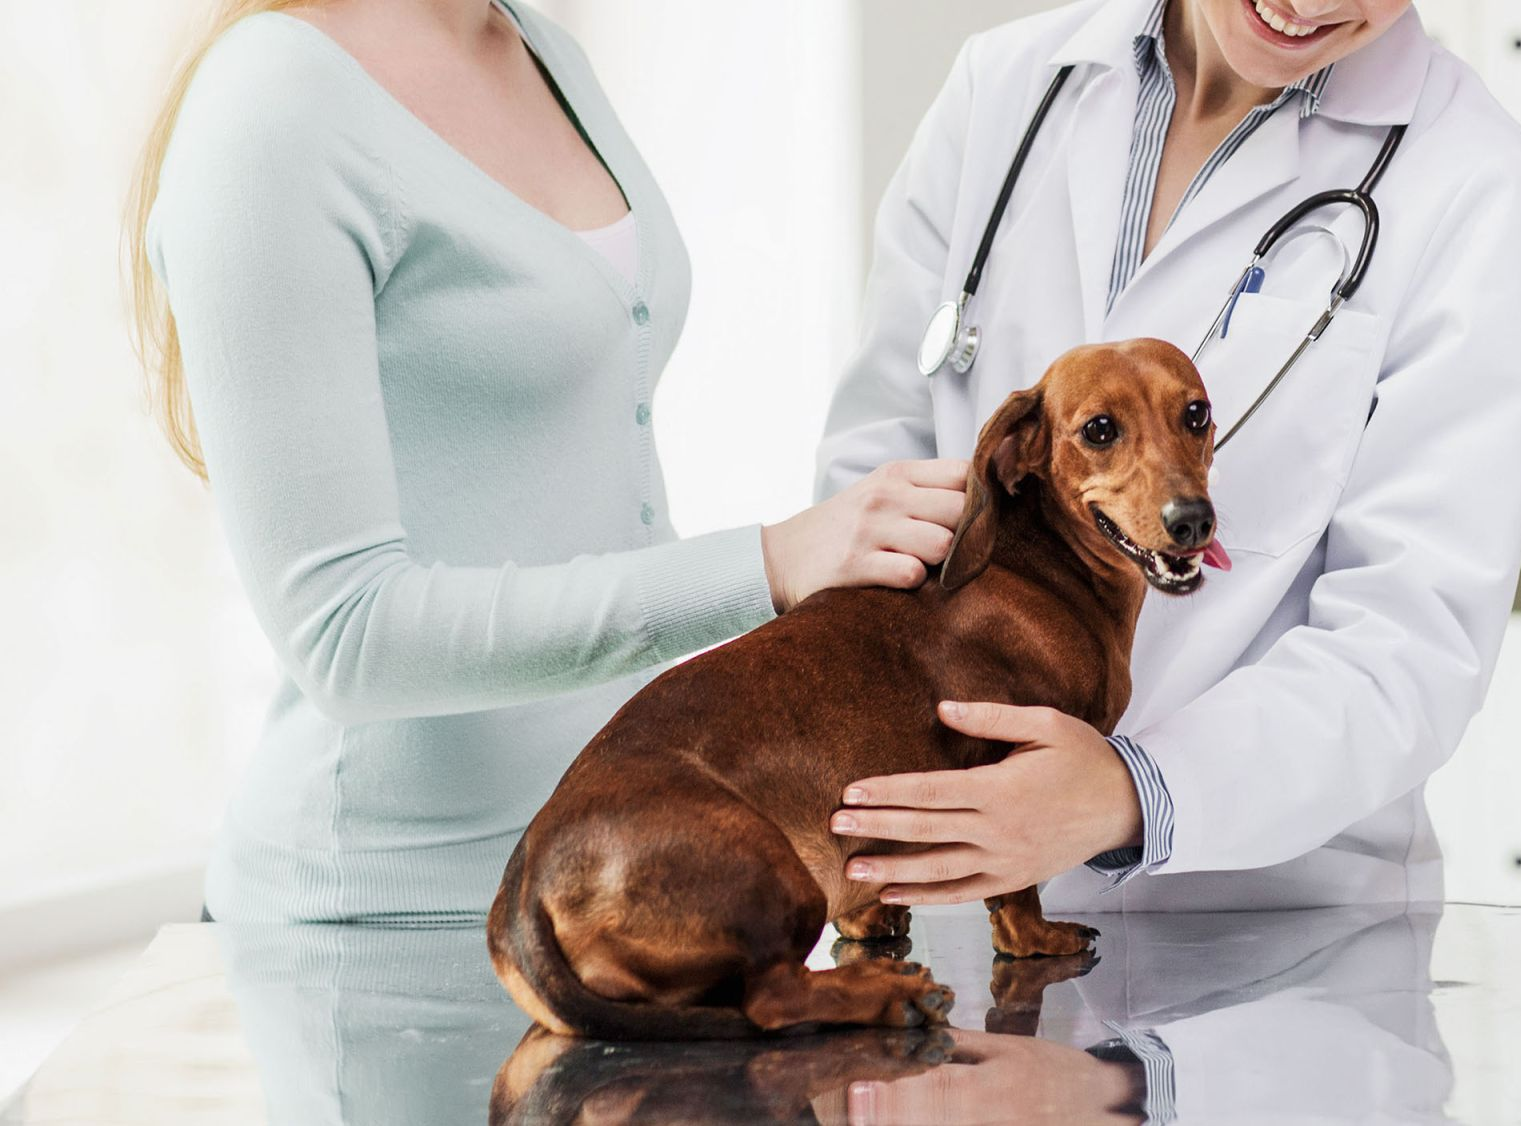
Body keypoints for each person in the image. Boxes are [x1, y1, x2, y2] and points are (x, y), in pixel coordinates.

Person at [127, 0, 968, 923]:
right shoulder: (272, 104)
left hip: (612, 884)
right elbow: (347, 637)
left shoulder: (539, 48)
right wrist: (764, 565)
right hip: (386, 920)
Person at [819, 0, 1521, 911]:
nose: (1309, 3)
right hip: (935, 877)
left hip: (1255, 929)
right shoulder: (1008, 87)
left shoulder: (1485, 190)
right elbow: (875, 479)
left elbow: (1408, 642)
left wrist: (1129, 792)